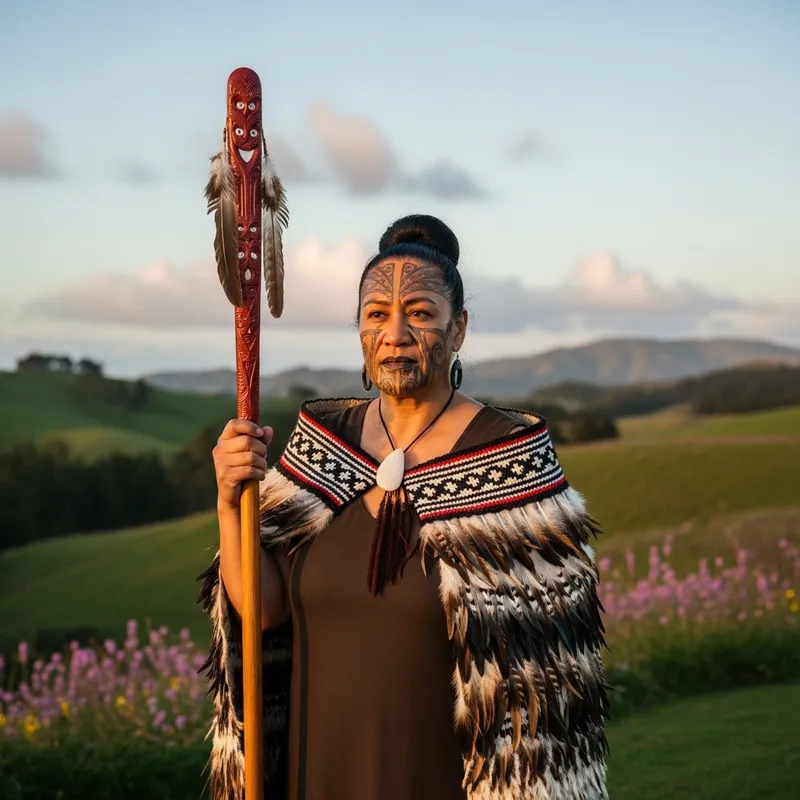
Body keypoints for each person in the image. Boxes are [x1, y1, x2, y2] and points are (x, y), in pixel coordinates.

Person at [198, 214, 609, 800]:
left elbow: (544, 688)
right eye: (376, 314)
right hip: (313, 775)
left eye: (419, 313)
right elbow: (263, 615)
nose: (394, 333)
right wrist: (229, 503)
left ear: (458, 328)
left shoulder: (511, 461)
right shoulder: (322, 445)